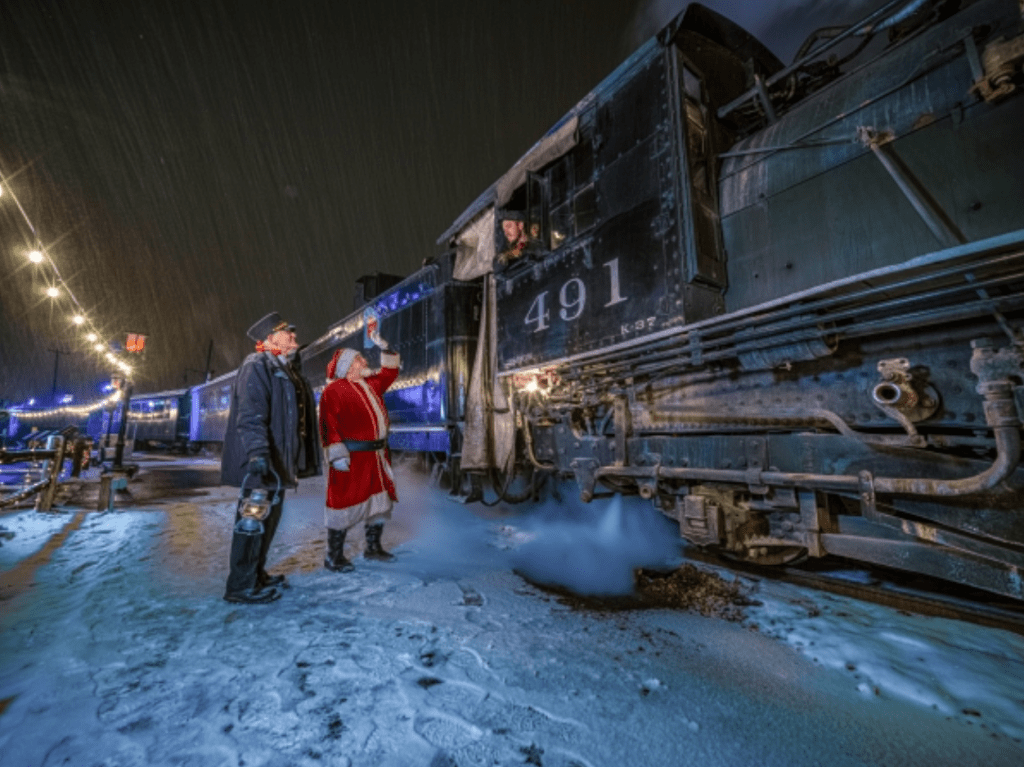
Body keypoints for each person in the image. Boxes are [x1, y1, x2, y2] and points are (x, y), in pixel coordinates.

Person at [220, 311, 321, 604]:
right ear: (269, 338)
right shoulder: (257, 365)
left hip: (276, 467)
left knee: (267, 521)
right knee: (251, 523)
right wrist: (257, 454)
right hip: (261, 467)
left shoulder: (283, 368)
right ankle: (240, 586)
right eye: (285, 332)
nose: (293, 335)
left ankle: (255, 573)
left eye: (292, 331)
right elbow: (250, 416)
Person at [318, 337, 401, 572]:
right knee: (343, 505)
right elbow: (328, 425)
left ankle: (373, 548)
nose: (364, 360)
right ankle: (333, 556)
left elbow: (390, 372)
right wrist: (337, 455)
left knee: (379, 503)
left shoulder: (371, 384)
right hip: (352, 458)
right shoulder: (333, 391)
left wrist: (386, 347)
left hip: (376, 457)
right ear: (347, 366)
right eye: (358, 359)